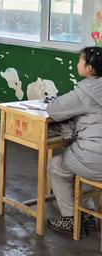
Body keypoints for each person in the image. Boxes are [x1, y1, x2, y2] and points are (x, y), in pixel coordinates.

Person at [46, 46, 102, 234]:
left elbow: (54, 109)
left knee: (56, 165)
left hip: (95, 159)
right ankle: (90, 213)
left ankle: (72, 218)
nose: (78, 63)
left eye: (80, 60)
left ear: (89, 68)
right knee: (79, 161)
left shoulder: (86, 91)